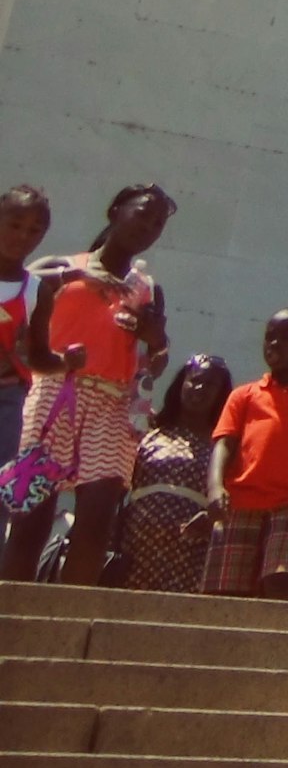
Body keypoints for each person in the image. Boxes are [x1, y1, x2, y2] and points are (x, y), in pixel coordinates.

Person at [3, 183, 175, 585]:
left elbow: (156, 363)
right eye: (142, 213)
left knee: (97, 521)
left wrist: (156, 339)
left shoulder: (147, 289)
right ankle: (11, 616)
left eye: (157, 223)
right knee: (31, 517)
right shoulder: (61, 266)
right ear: (115, 210)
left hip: (112, 404)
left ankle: (69, 621)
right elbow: (21, 295)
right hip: (52, 393)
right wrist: (74, 275)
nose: (148, 226)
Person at [198, 309, 288, 599]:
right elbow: (224, 444)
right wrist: (215, 487)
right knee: (226, 588)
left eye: (286, 338)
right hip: (240, 502)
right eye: (270, 337)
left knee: (280, 577)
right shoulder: (244, 395)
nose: (274, 344)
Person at [116, 354, 231, 593]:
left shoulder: (223, 447)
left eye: (210, 385)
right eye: (195, 380)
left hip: (191, 555)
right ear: (181, 384)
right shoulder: (151, 429)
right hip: (135, 547)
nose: (200, 388)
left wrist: (210, 518)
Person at [0, 184, 53, 462]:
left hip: (6, 400)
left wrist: (67, 361)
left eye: (33, 230)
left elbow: (40, 357)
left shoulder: (36, 291)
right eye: (15, 225)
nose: (22, 236)